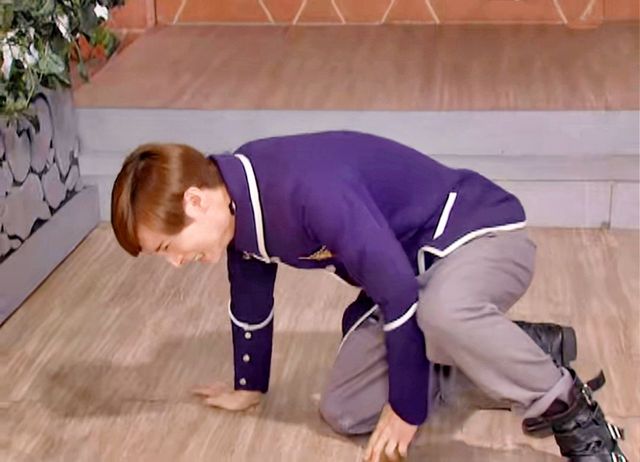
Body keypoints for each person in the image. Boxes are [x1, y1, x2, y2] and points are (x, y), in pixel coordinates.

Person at [110, 131, 626, 461]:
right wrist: (250, 386)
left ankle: (573, 412)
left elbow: (400, 298)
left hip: (477, 236)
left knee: (443, 313)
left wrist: (406, 408)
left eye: (168, 247)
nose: (175, 263)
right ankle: (514, 347)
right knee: (346, 410)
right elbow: (249, 295)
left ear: (195, 201)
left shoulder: (307, 189)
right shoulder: (235, 202)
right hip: (408, 278)